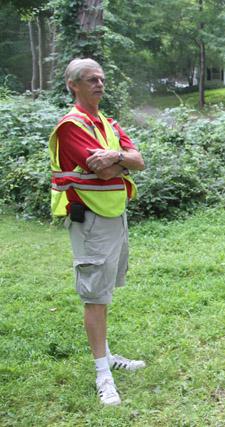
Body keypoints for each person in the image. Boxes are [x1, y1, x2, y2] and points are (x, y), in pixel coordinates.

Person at [48, 58, 146, 405]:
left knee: (104, 291)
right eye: (92, 79)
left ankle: (107, 357)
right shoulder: (71, 126)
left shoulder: (105, 121)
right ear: (74, 85)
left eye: (102, 78)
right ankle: (103, 373)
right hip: (89, 219)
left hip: (113, 215)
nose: (100, 84)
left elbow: (139, 160)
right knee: (95, 296)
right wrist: (121, 162)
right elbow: (102, 172)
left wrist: (117, 155)